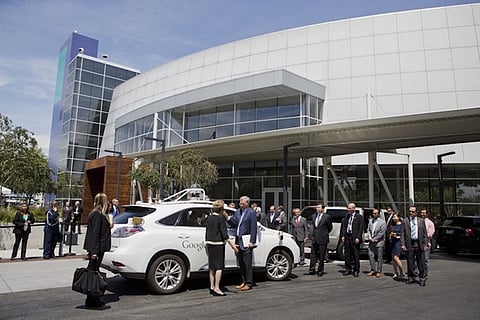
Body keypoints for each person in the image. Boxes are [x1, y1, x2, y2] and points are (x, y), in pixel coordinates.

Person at [83, 193, 112, 309]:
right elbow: (94, 234)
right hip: (97, 249)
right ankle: (92, 299)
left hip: (98, 248)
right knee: (93, 274)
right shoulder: (97, 215)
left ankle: (94, 298)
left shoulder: (98, 214)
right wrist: (94, 252)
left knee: (94, 272)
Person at [205, 199, 237, 296]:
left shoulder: (209, 218)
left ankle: (211, 286)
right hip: (218, 244)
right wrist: (232, 245)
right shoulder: (220, 218)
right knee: (219, 267)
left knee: (212, 267)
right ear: (221, 209)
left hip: (209, 243)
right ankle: (217, 287)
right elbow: (224, 234)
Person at [228, 195, 257, 291]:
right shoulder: (238, 212)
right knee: (241, 263)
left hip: (246, 240)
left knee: (247, 263)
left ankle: (249, 283)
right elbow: (234, 223)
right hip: (238, 240)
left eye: (242, 203)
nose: (240, 205)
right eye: (240, 203)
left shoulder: (251, 213)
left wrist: (252, 241)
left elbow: (253, 228)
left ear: (247, 203)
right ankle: (243, 281)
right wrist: (227, 218)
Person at [401, 206, 429, 286]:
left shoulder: (421, 221)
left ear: (416, 212)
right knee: (410, 262)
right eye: (410, 211)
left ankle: (422, 278)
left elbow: (425, 234)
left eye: (413, 212)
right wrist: (403, 244)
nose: (411, 213)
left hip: (419, 243)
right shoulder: (405, 221)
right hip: (410, 244)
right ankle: (411, 277)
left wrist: (425, 244)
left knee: (421, 262)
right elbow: (402, 234)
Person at [305, 204, 332, 276]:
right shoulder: (314, 216)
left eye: (319, 207)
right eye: (317, 207)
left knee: (321, 255)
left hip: (323, 238)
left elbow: (330, 227)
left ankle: (320, 270)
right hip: (315, 238)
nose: (317, 208)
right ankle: (312, 269)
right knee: (313, 254)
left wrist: (324, 233)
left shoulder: (327, 217)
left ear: (322, 209)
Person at [341, 203, 364, 277]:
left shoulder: (359, 217)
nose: (349, 210)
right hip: (348, 236)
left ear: (354, 208)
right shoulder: (347, 216)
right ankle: (348, 268)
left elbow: (361, 228)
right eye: (348, 208)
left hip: (355, 237)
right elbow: (344, 226)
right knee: (347, 254)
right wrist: (343, 235)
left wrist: (358, 237)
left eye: (350, 208)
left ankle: (356, 270)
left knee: (355, 254)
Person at [367, 208, 387, 278]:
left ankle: (379, 271)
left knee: (379, 257)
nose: (374, 215)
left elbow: (382, 232)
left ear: (378, 214)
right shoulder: (370, 221)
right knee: (371, 255)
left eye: (375, 213)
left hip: (379, 242)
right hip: (371, 241)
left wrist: (375, 239)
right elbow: (368, 230)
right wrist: (370, 237)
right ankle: (373, 270)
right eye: (373, 213)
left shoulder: (382, 222)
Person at [390, 213, 405, 280]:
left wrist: (397, 236)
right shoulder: (393, 225)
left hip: (398, 243)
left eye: (395, 217)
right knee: (393, 258)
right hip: (393, 242)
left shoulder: (401, 225)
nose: (393, 218)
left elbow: (402, 234)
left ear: (398, 217)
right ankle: (395, 272)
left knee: (396, 257)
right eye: (393, 217)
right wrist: (391, 235)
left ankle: (402, 272)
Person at [421, 208, 435, 278]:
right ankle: (417, 271)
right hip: (419, 243)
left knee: (425, 259)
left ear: (427, 214)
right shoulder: (419, 221)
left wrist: (422, 235)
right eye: (421, 213)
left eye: (423, 213)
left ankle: (425, 273)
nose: (422, 214)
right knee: (417, 258)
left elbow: (430, 234)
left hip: (426, 243)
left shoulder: (430, 223)